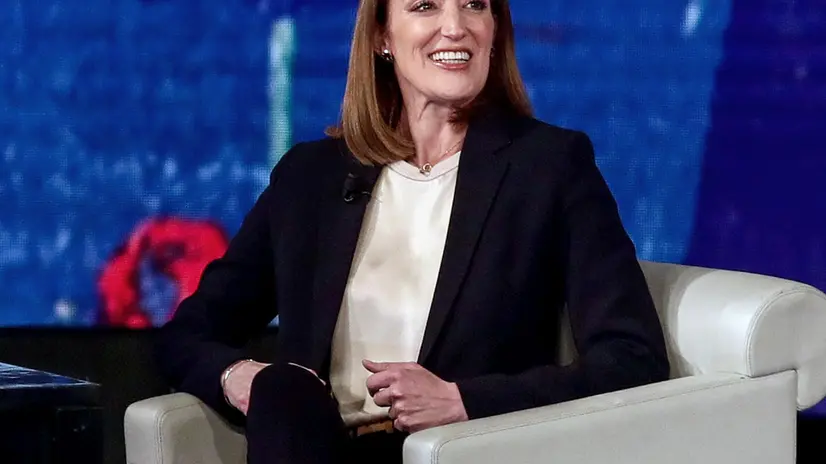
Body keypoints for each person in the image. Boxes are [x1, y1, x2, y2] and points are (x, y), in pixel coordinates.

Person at [155, 0, 670, 462]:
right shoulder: (309, 178)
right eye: (425, 6)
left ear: (495, 30)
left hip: (457, 453)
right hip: (313, 448)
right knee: (285, 393)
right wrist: (242, 378)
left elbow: (631, 357)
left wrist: (464, 400)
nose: (456, 26)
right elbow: (188, 334)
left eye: (475, 5)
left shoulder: (549, 167)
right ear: (382, 36)